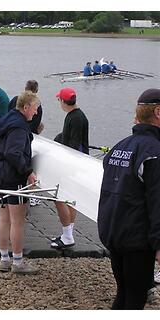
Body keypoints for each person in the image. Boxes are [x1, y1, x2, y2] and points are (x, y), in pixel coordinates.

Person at [97, 88, 160, 310]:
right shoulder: (154, 151)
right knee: (134, 299)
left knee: (123, 292)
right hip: (137, 240)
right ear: (158, 112)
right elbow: (157, 202)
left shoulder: (119, 147)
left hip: (114, 233)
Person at [0, 90, 40, 275]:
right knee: (17, 221)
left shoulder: (5, 119)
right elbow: (13, 153)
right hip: (13, 176)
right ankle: (18, 262)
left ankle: (4, 260)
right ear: (26, 108)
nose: (35, 113)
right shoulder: (19, 127)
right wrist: (28, 172)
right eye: (34, 109)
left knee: (3, 219)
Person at [51, 87, 89, 249]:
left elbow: (73, 144)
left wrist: (63, 163)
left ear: (63, 101)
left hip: (72, 164)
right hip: (78, 163)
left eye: (59, 99)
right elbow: (68, 137)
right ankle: (68, 234)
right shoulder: (76, 115)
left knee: (59, 197)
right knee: (71, 199)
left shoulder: (74, 118)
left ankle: (67, 236)